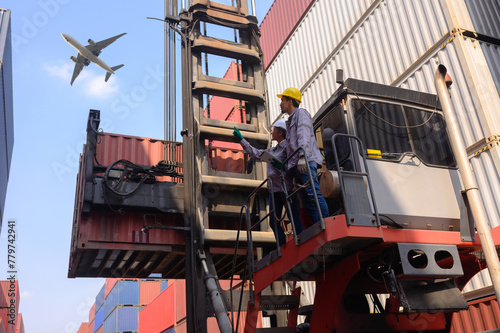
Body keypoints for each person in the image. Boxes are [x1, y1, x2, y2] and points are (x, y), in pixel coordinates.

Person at [233, 119, 302, 247]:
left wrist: (283, 166)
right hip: (274, 191)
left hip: (287, 188)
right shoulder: (273, 151)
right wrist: (241, 139)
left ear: (281, 132)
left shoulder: (288, 147)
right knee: (273, 222)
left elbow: (294, 165)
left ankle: (302, 241)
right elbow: (256, 153)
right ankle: (282, 247)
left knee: (293, 217)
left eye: (274, 129)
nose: (272, 131)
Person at [277, 87, 329, 225]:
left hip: (306, 161)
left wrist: (302, 157)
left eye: (282, 100)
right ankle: (318, 227)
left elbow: (303, 134)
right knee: (306, 201)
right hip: (297, 165)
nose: (280, 103)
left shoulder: (301, 113)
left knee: (313, 195)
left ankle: (326, 224)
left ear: (290, 101)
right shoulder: (290, 121)